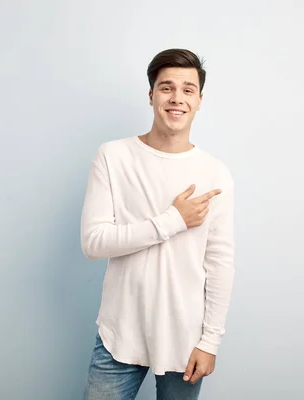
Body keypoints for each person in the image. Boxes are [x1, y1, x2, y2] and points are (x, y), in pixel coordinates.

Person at [80, 48, 235, 400]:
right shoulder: (113, 156)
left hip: (186, 339)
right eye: (166, 88)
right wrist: (174, 220)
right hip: (119, 333)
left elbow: (220, 263)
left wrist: (210, 341)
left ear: (199, 100)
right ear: (151, 96)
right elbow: (94, 242)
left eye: (187, 89)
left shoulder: (216, 173)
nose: (176, 98)